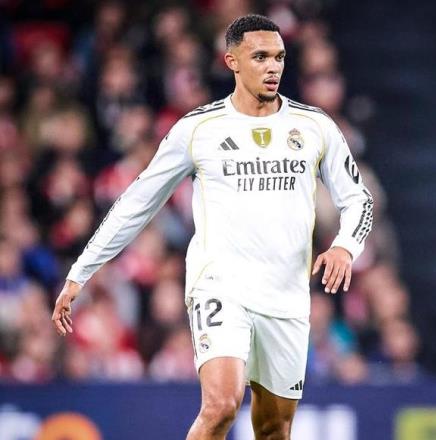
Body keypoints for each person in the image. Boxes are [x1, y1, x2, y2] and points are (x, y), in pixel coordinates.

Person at [52, 14, 373, 440]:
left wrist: (345, 246)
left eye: (279, 57)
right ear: (231, 61)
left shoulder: (315, 127)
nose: (273, 67)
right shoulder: (198, 129)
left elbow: (359, 199)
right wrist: (81, 272)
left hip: (286, 294)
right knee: (222, 405)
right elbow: (136, 202)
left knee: (274, 427)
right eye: (260, 57)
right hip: (220, 286)